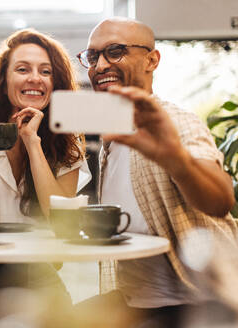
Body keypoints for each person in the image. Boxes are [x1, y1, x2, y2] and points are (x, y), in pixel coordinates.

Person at [71, 17, 238, 327]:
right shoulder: (112, 138)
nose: (99, 65)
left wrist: (175, 158)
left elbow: (221, 200)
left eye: (115, 51)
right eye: (92, 56)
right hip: (134, 301)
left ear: (152, 60)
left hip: (193, 304)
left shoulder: (176, 122)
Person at [0, 28, 92, 320]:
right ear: (4, 80)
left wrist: (33, 144)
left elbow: (61, 222)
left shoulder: (66, 146)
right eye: (22, 69)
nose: (34, 78)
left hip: (37, 276)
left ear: (54, 83)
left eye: (45, 71)